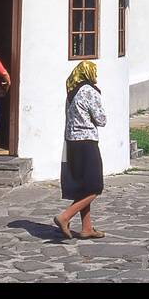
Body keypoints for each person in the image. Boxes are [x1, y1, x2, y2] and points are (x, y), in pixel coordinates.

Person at [54, 62, 107, 240]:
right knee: (95, 186)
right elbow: (101, 119)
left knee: (84, 185)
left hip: (72, 142)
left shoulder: (71, 92)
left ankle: (86, 228)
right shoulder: (90, 91)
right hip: (87, 142)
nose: (96, 76)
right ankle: (65, 216)